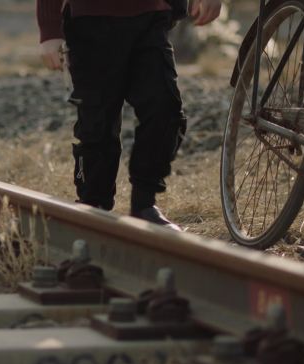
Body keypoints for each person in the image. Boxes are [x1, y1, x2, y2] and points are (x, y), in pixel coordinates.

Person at [38, 0, 222, 231]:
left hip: (151, 17)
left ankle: (144, 205)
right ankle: (93, 207)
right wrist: (49, 29)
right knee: (98, 123)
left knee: (165, 110)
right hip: (89, 22)